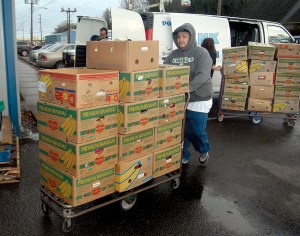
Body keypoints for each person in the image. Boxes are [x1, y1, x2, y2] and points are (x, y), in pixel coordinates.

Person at [164, 23, 213, 166]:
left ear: (190, 37)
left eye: (184, 36)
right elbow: (164, 71)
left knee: (196, 131)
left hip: (199, 98)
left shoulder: (201, 53)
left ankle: (204, 149)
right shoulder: (173, 55)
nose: (180, 39)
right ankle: (184, 154)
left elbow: (203, 75)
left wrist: (187, 88)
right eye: (178, 37)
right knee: (182, 130)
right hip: (180, 99)